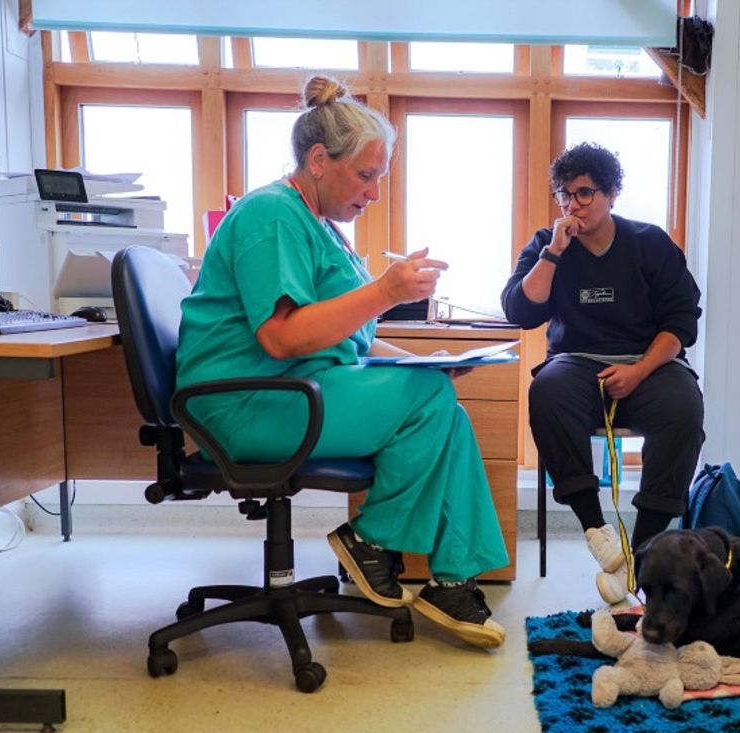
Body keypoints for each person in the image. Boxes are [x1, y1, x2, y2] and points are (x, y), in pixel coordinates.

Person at [175, 75, 508, 648]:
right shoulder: (272, 216)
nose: (375, 192)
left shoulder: (321, 228)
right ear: (319, 159)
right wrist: (384, 291)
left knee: (444, 407)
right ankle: (370, 542)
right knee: (431, 403)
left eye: (380, 177)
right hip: (247, 403)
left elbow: (348, 337)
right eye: (366, 175)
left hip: (296, 391)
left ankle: (452, 580)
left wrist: (427, 364)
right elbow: (281, 339)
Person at [501, 142, 704, 605]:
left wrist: (639, 371)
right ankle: (597, 531)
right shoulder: (546, 245)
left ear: (612, 193)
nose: (574, 204)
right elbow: (520, 310)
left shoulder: (650, 243)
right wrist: (552, 253)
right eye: (566, 195)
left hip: (650, 361)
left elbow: (681, 324)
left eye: (586, 193)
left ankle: (643, 550)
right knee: (547, 392)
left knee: (683, 409)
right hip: (576, 362)